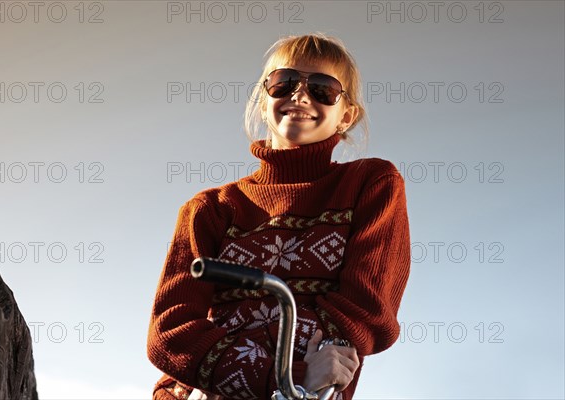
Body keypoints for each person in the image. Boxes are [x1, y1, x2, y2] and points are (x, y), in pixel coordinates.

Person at [147, 33, 411, 400]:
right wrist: (287, 371)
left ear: (346, 115)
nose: (300, 96)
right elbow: (170, 331)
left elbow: (364, 311)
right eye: (284, 83)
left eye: (323, 89)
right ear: (262, 100)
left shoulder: (371, 184)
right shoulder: (209, 209)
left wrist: (282, 374)